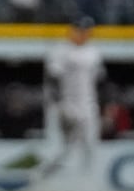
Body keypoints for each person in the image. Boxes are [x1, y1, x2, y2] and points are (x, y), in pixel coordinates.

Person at [40, 16, 106, 180]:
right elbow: (52, 79)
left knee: (90, 143)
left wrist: (105, 104)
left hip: (89, 104)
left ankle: (87, 179)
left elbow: (101, 81)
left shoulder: (94, 52)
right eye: (81, 30)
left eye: (86, 31)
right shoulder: (61, 50)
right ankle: (50, 176)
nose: (84, 33)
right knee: (65, 145)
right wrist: (57, 104)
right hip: (67, 104)